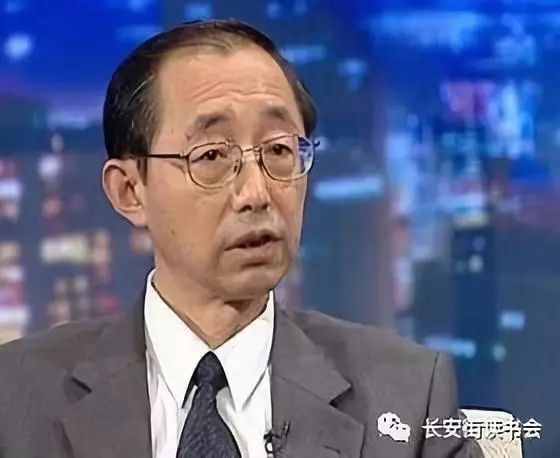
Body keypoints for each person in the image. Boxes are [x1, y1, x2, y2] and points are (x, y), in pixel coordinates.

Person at [0, 19, 483, 458]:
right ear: (130, 191)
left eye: (279, 150)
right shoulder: (14, 399)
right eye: (212, 156)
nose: (256, 193)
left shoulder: (409, 398)